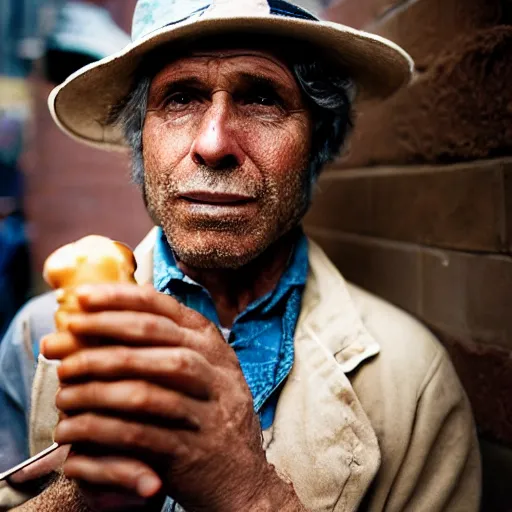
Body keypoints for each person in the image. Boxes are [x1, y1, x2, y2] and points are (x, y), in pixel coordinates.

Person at [0, 0, 481, 510]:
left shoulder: (411, 383)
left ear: (316, 140)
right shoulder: (35, 342)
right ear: (141, 139)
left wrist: (248, 492)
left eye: (262, 98)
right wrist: (80, 501)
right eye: (181, 97)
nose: (213, 143)